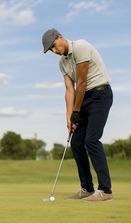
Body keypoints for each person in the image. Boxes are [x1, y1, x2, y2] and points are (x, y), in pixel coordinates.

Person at [42, 28, 113, 201]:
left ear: (60, 37)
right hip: (84, 99)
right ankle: (87, 188)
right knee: (77, 142)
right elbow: (69, 90)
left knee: (91, 140)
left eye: (54, 46)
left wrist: (76, 111)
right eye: (50, 50)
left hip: (100, 95)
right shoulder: (62, 63)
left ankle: (105, 190)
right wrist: (69, 117)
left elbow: (81, 83)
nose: (54, 51)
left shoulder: (80, 46)